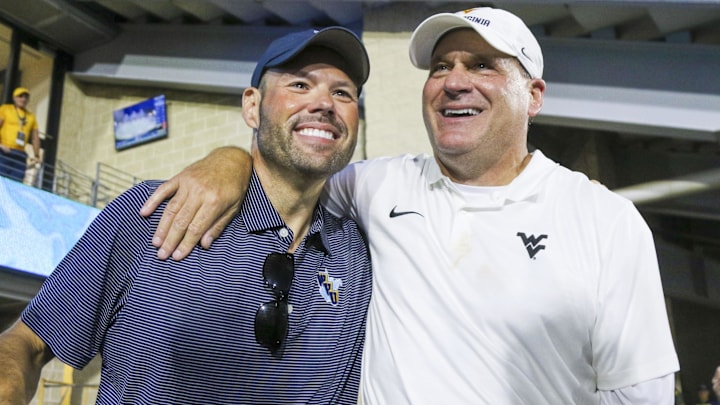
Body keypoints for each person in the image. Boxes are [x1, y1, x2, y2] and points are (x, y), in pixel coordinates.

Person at [141, 6, 680, 404]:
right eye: (441, 66)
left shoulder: (603, 221)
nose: (454, 82)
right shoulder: (378, 188)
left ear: (533, 95)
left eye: (484, 65)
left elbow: (638, 395)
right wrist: (229, 159)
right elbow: (294, 163)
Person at [0, 26, 372, 404]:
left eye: (342, 93)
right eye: (300, 85)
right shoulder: (151, 213)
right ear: (252, 107)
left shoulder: (361, 257)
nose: (324, 103)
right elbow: (27, 343)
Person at [0, 87, 40, 183]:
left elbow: (35, 137)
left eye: (26, 97)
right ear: (14, 98)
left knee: (15, 182)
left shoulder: (31, 116)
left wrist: (37, 155)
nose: (23, 99)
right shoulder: (5, 109)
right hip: (4, 151)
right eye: (20, 96)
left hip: (20, 154)